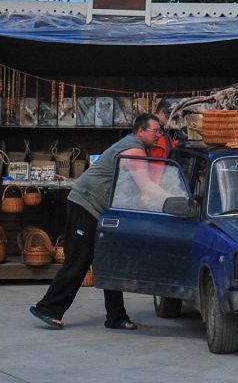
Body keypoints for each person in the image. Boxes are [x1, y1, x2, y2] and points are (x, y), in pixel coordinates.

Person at [31, 112, 163, 331]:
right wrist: (177, 199)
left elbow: (140, 191)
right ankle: (48, 308)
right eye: (155, 130)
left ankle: (116, 317)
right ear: (141, 131)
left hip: (102, 211)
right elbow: (147, 187)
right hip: (85, 205)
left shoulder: (137, 147)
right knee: (78, 261)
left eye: (160, 130)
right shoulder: (133, 149)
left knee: (109, 260)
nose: (159, 135)